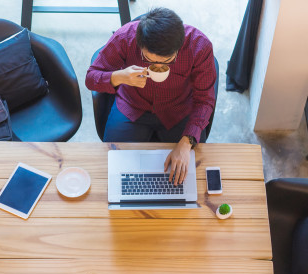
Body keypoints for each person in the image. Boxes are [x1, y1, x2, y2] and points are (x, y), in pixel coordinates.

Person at [86, 7, 216, 185]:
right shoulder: (125, 37)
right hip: (132, 105)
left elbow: (205, 99)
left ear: (180, 46)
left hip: (178, 110)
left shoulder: (199, 46)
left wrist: (186, 143)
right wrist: (119, 76)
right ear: (140, 44)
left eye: (167, 62)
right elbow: (90, 78)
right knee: (114, 170)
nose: (157, 66)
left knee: (189, 175)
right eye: (150, 60)